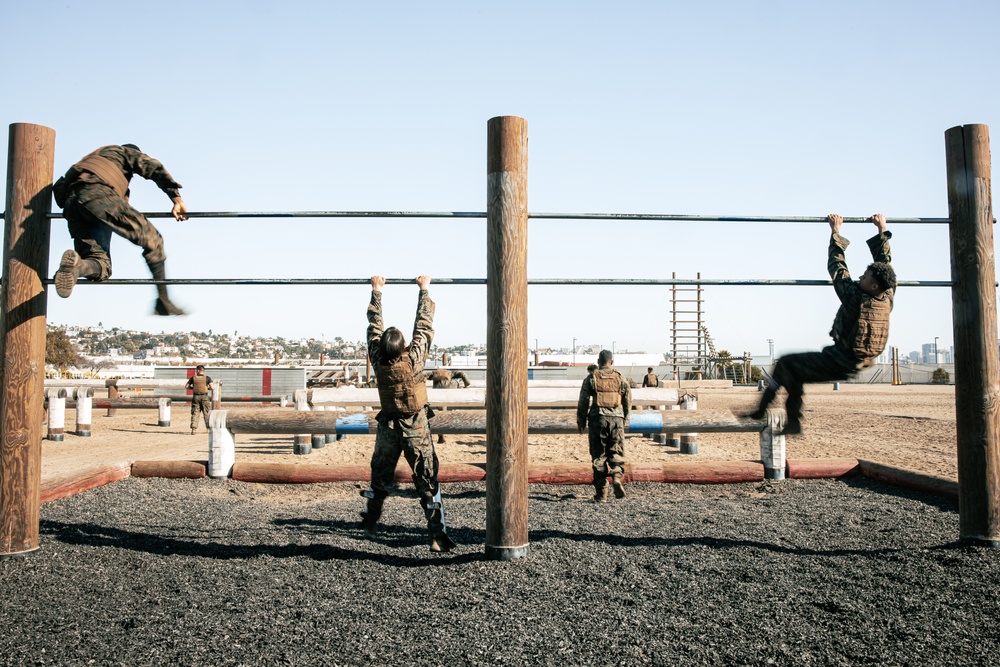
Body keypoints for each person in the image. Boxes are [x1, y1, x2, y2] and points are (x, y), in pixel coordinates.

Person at [747, 213, 896, 434]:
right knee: (793, 370)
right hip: (859, 362)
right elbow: (886, 264)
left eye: (864, 277)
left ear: (873, 286)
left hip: (839, 361)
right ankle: (792, 421)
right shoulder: (888, 296)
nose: (859, 278)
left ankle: (765, 412)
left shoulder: (854, 297)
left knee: (786, 363)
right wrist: (881, 230)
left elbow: (837, 266)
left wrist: (835, 231)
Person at [359, 275, 456, 553]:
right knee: (426, 480)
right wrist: (424, 290)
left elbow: (373, 327)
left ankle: (370, 519)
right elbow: (424, 327)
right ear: (404, 348)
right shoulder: (413, 361)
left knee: (380, 477)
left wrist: (376, 292)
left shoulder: (377, 360)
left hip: (389, 426)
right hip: (415, 426)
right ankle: (437, 535)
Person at [51, 143, 189, 315]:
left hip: (73, 206)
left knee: (101, 264)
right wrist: (176, 198)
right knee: (153, 240)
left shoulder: (90, 160)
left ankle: (77, 267)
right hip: (97, 194)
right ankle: (164, 300)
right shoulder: (121, 152)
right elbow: (151, 166)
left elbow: (59, 189)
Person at [577, 349, 632, 502]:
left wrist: (581, 421)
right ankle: (616, 475)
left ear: (598, 361)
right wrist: (625, 417)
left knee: (599, 456)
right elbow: (628, 399)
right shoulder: (620, 377)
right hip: (617, 420)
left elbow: (583, 401)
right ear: (611, 362)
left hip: (598, 420)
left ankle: (602, 494)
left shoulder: (591, 377)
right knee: (616, 451)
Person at [185, 365, 214, 435]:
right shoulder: (207, 378)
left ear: (198, 370)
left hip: (196, 397)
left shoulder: (193, 378)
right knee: (207, 413)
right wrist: (207, 388)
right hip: (204, 397)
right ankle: (208, 428)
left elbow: (186, 386)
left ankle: (193, 429)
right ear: (203, 370)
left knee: (195, 413)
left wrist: (193, 388)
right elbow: (212, 387)